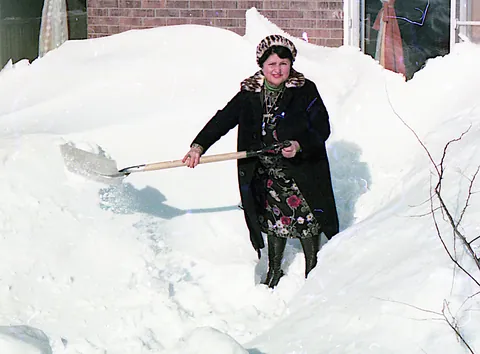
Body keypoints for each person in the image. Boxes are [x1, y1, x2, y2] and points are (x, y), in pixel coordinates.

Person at [182, 34, 339, 288]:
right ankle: (274, 271)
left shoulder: (304, 89)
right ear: (262, 66)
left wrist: (299, 144)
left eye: (283, 63)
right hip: (267, 174)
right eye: (272, 64)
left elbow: (322, 127)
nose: (278, 70)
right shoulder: (250, 93)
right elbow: (223, 119)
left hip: (302, 169)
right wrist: (199, 146)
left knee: (308, 220)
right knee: (275, 221)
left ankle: (313, 269)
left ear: (291, 64)